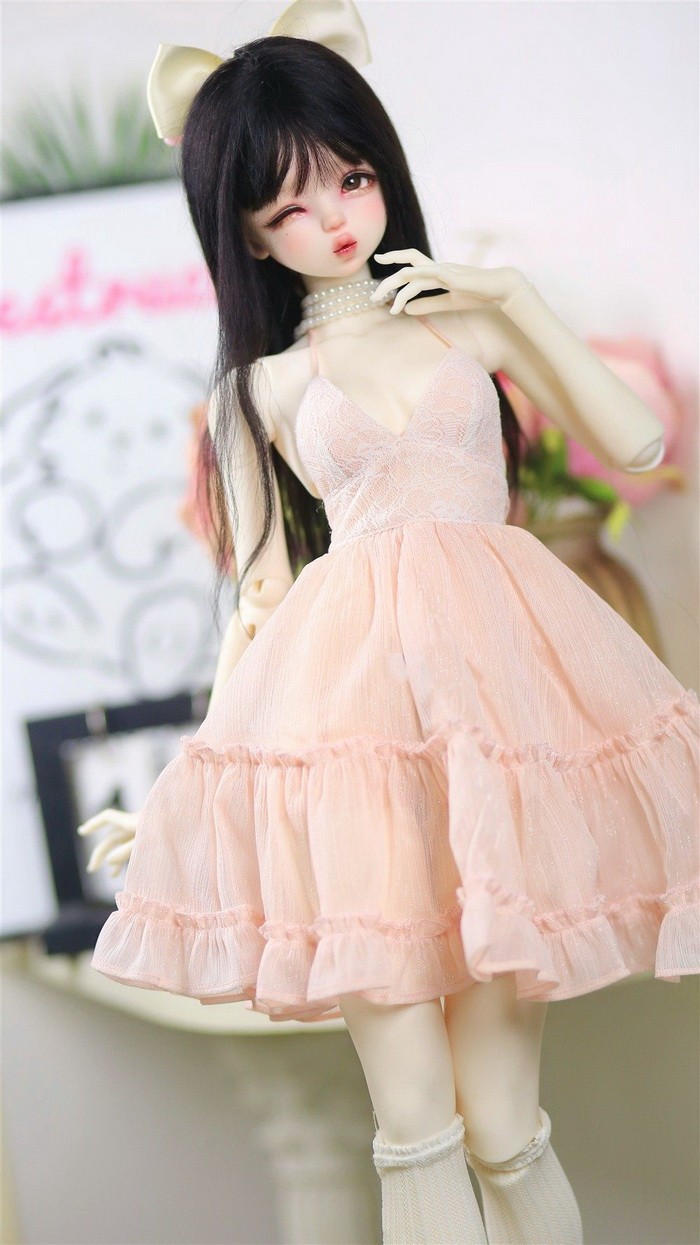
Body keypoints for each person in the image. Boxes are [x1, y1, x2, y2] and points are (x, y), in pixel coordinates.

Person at [82, 3, 699, 1241]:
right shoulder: (259, 391)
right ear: (247, 235)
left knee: (504, 1122)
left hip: (500, 722)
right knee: (413, 1123)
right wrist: (181, 800)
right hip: (352, 741)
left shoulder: (464, 318)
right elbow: (261, 598)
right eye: (291, 206)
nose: (334, 219)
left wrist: (515, 299)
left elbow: (639, 442)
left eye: (351, 178)